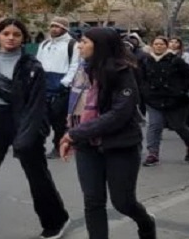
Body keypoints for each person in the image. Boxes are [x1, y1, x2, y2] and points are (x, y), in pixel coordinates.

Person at [0, 18, 70, 239]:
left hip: (24, 122)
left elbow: (37, 104)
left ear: (23, 38)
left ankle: (55, 220)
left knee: (37, 176)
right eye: (6, 33)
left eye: (16, 34)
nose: (10, 38)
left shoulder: (33, 66)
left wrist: (29, 135)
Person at [60, 27, 157, 239]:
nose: (79, 45)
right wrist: (72, 134)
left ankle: (146, 222)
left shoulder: (123, 72)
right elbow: (76, 109)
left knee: (123, 202)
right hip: (87, 145)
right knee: (93, 201)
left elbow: (119, 114)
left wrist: (75, 134)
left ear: (100, 45)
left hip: (120, 144)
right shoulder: (82, 71)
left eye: (84, 42)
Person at [140, 36, 189, 166]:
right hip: (154, 99)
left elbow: (188, 76)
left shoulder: (176, 60)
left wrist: (181, 91)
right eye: (156, 44)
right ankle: (153, 153)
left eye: (161, 44)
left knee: (179, 126)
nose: (158, 46)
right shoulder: (146, 61)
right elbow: (141, 79)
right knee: (154, 125)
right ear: (152, 45)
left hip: (175, 100)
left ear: (166, 46)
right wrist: (146, 93)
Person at [36, 16, 80, 160]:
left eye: (57, 26)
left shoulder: (73, 45)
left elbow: (75, 66)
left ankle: (58, 145)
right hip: (44, 85)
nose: (54, 29)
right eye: (52, 26)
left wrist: (64, 82)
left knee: (58, 121)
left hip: (60, 86)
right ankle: (37, 146)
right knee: (41, 118)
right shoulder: (44, 44)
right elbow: (38, 63)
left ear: (64, 29)